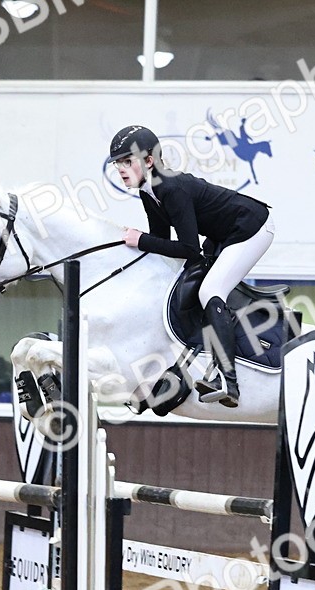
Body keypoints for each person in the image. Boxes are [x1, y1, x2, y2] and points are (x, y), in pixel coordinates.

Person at [107, 124, 275, 408]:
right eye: (117, 164)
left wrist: (140, 240)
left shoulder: (171, 188)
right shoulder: (149, 191)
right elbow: (161, 241)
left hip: (253, 227)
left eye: (127, 161)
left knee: (210, 290)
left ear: (149, 161)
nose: (121, 169)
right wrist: (137, 244)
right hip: (223, 234)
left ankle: (228, 381)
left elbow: (188, 250)